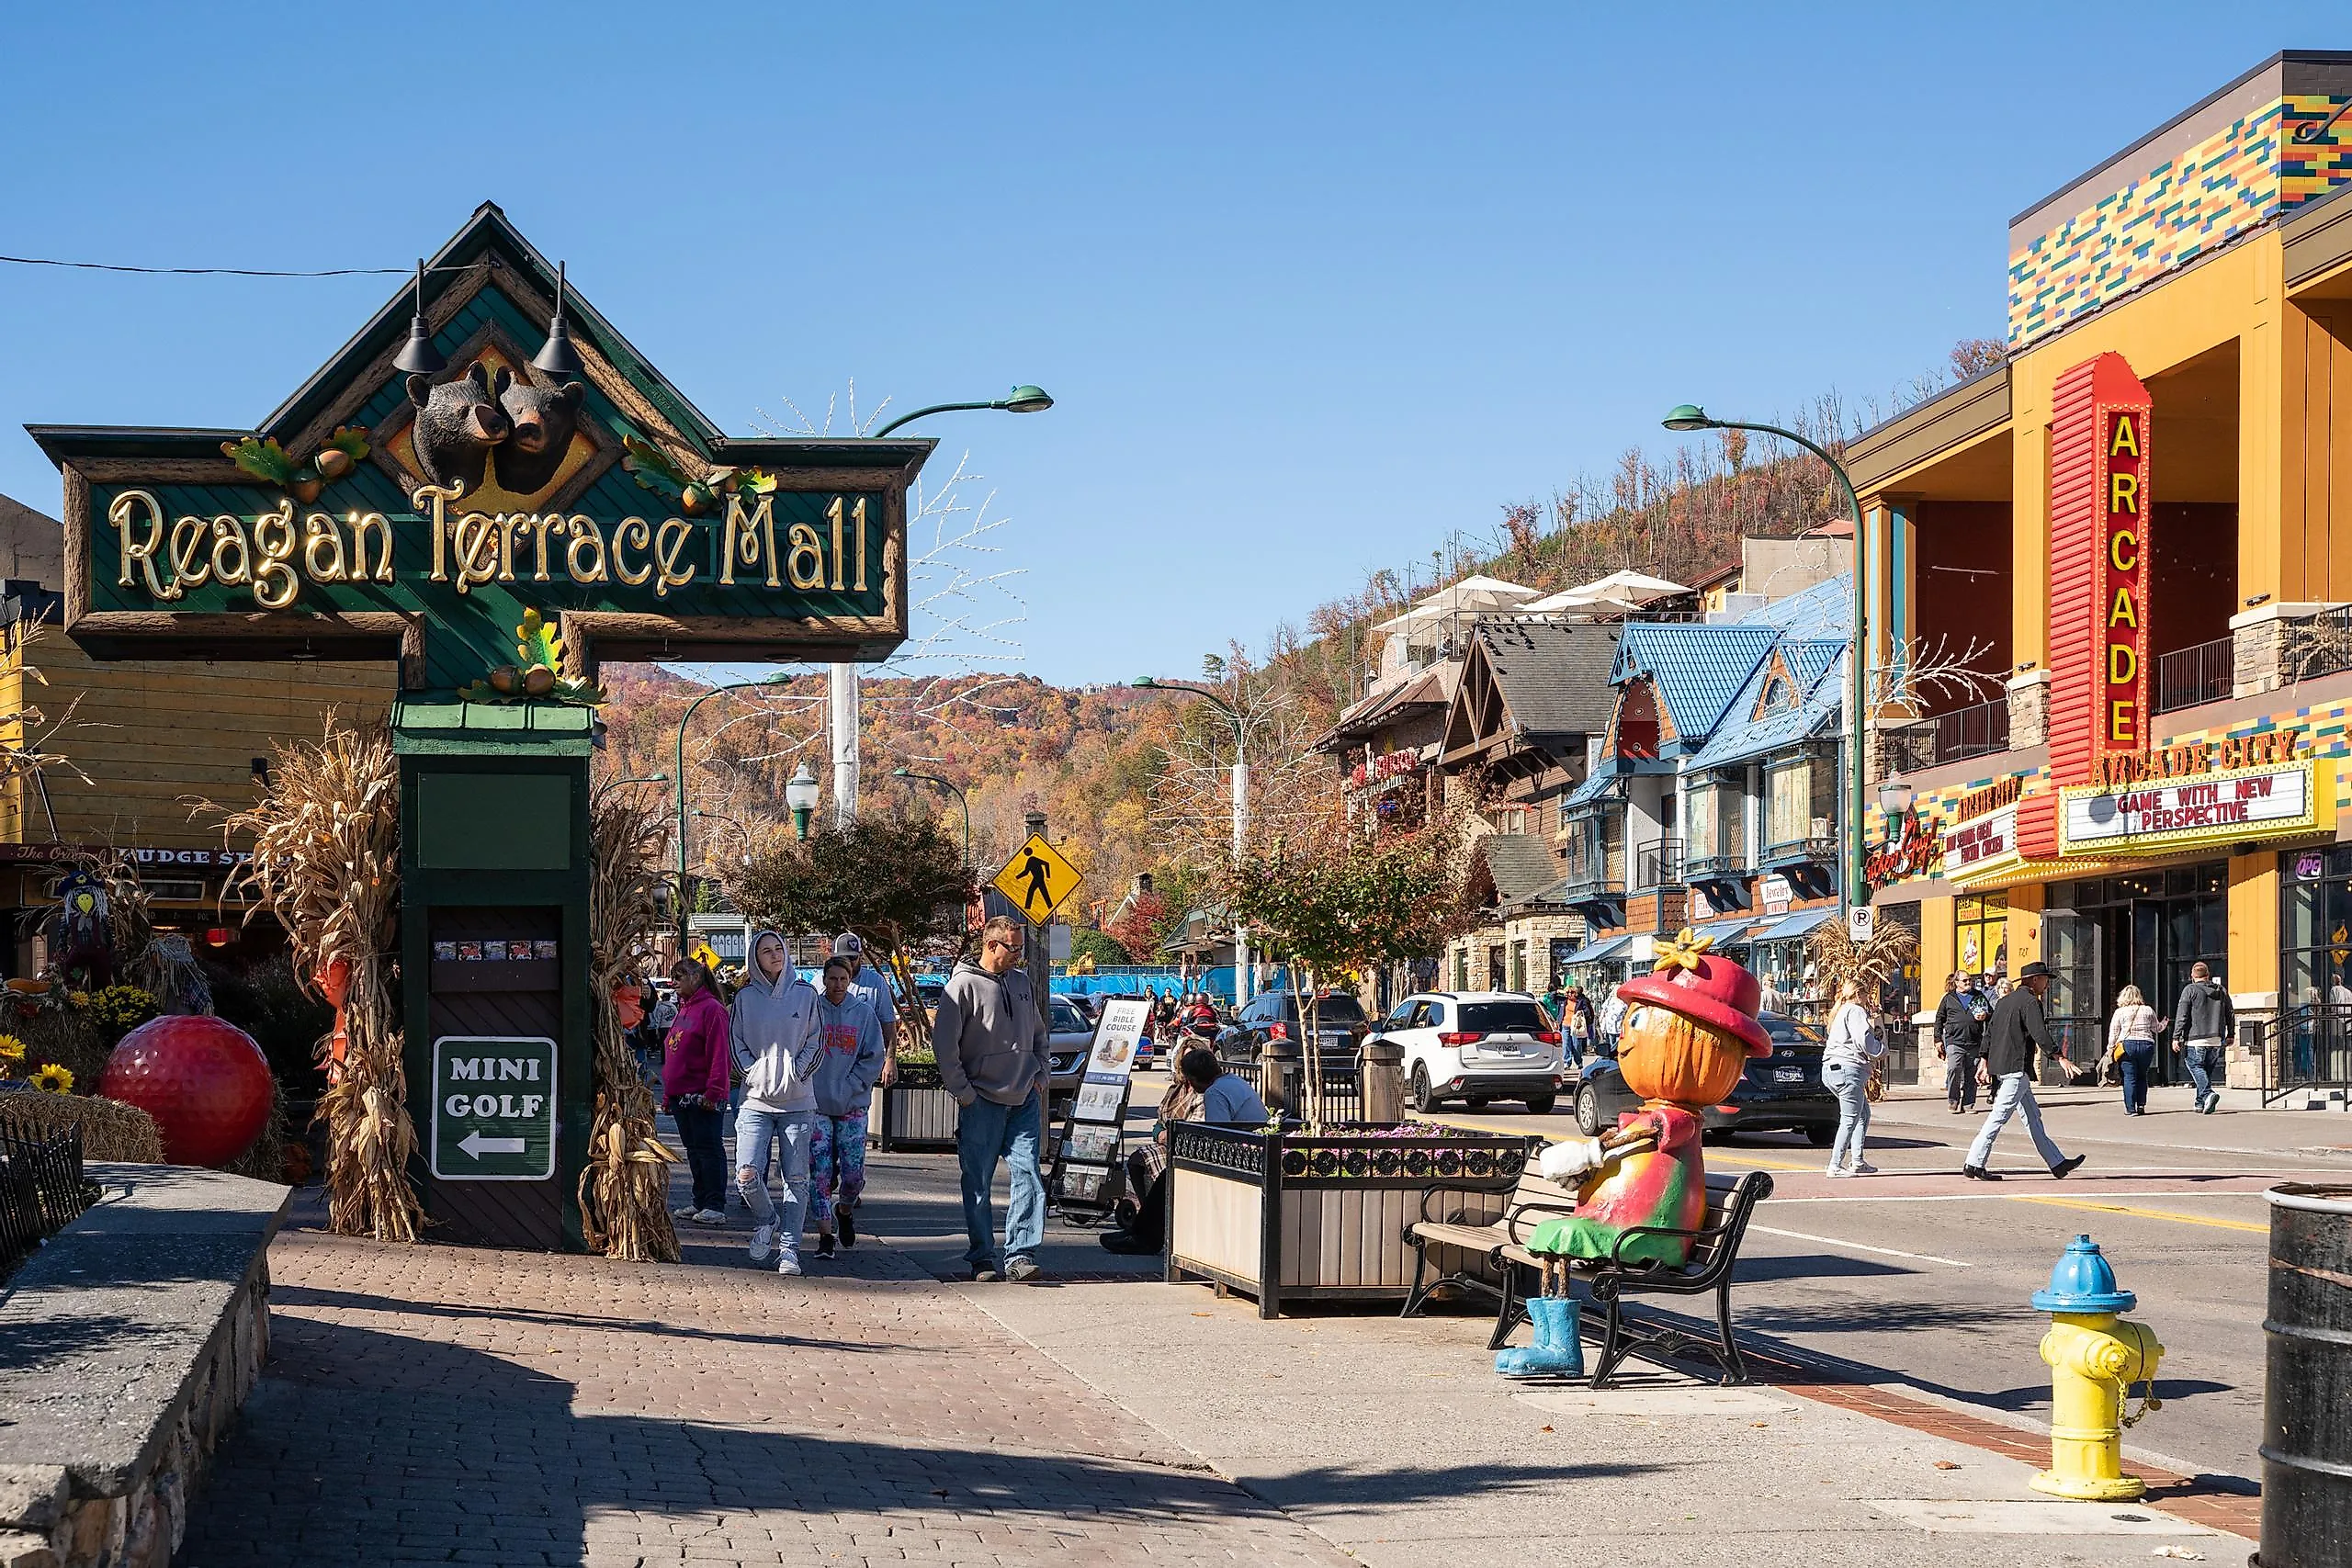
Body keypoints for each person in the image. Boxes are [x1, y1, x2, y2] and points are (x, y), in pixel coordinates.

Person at [934, 915, 1052, 1282]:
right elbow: (945, 1048)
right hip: (981, 1100)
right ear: (991, 945)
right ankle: (982, 1257)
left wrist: (1041, 1075)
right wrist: (965, 1094)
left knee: (1029, 1174)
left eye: (1022, 948)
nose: (1019, 955)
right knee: (978, 1183)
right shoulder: (962, 986)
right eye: (1013, 948)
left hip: (1024, 1098)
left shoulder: (1021, 983)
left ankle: (1020, 1254)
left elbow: (1038, 1033)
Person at [1100, 1048, 1270, 1255]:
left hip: (1239, 1160)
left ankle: (1145, 1239)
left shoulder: (1214, 1093)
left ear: (1195, 1079)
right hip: (1252, 1153)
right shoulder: (1234, 1082)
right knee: (1166, 1175)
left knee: (1169, 1178)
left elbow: (1216, 1136)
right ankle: (1138, 1232)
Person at [730, 930, 822, 1274]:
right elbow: (736, 1043)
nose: (775, 955)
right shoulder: (744, 999)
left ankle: (789, 1251)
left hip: (798, 1103)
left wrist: (797, 1074)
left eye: (778, 949)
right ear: (755, 958)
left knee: (796, 1179)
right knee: (746, 1174)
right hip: (754, 1102)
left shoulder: (806, 994)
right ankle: (767, 1219)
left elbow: (816, 1041)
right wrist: (754, 1073)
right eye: (766, 951)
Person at [1964, 961, 2086, 1181]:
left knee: (2033, 1118)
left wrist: (1984, 1060)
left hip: (2006, 1069)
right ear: (2035, 980)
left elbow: (1989, 1033)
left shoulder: (2004, 1002)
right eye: (2045, 979)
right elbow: (2039, 1032)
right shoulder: (2030, 1002)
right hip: (2016, 1069)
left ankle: (2057, 1163)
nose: (2047, 985)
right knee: (1998, 1117)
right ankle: (1974, 1162)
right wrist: (2060, 1057)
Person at [808, 953, 887, 1258]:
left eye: (843, 979)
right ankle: (825, 1236)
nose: (838, 984)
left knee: (853, 1174)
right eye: (832, 978)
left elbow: (873, 1056)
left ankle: (844, 1210)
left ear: (850, 980)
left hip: (852, 1103)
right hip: (817, 1103)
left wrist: (852, 1085)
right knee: (821, 1171)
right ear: (824, 980)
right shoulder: (813, 1011)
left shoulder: (864, 1013)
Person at [661, 957, 734, 1225]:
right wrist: (668, 1095)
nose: (675, 982)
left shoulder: (712, 1010)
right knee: (694, 1150)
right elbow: (672, 1053)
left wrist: (714, 1091)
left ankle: (715, 1204)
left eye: (680, 976)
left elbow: (719, 1054)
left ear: (696, 978)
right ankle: (701, 1199)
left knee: (709, 1149)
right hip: (682, 1096)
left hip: (703, 1095)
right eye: (673, 977)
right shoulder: (683, 1009)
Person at [1822, 980, 1882, 1177]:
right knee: (1849, 1118)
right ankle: (1835, 1164)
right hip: (1848, 1069)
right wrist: (1880, 1050)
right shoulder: (1855, 1010)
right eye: (1866, 995)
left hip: (1832, 1069)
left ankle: (1857, 1160)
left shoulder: (1840, 1011)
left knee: (1862, 1114)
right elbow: (1864, 1039)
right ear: (1858, 995)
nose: (1867, 999)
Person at [832, 931, 905, 1090]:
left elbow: (888, 1025)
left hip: (862, 1065)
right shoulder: (821, 982)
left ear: (861, 956)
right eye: (843, 958)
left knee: (858, 1112)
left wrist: (890, 1060)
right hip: (829, 1064)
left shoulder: (875, 982)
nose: (848, 963)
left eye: (853, 958)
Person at [2172, 962, 2233, 1115]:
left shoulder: (2190, 990)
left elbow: (2182, 1016)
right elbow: (2229, 1012)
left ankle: (2207, 1094)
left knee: (2195, 1066)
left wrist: (2176, 1036)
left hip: (2195, 1038)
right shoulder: (2221, 990)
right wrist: (2231, 1034)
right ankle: (2200, 1103)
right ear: (2208, 975)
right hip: (2215, 1039)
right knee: (2205, 1071)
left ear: (2193, 976)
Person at [1934, 972, 1989, 1115]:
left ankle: (1969, 1104)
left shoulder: (1978, 996)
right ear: (1957, 982)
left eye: (1969, 980)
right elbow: (1939, 1018)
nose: (1968, 982)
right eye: (1964, 980)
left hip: (1974, 1041)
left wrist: (1985, 1016)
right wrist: (1937, 1039)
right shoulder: (1949, 998)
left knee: (1971, 1074)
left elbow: (1991, 1014)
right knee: (1954, 1069)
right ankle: (1953, 1100)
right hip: (1954, 1041)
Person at [2107, 984, 2165, 1116]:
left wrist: (2110, 1048)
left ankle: (2130, 1108)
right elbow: (2157, 1028)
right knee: (2142, 1075)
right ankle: (2141, 1105)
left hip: (2127, 1045)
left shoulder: (2119, 1012)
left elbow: (2113, 1033)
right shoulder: (2147, 1010)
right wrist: (2164, 1023)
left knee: (2129, 1077)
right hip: (2146, 1045)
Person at [1562, 985, 1596, 1069]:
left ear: (1576, 993)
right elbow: (1552, 997)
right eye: (1568, 992)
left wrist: (1581, 1013)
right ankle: (1567, 1062)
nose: (1570, 994)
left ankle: (1579, 1062)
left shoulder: (1580, 1001)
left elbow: (1587, 1012)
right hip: (1565, 1025)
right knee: (1566, 1044)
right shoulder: (1563, 1001)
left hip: (1576, 1026)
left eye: (1572, 992)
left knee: (1576, 1045)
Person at [1597, 985, 1627, 1057]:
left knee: (1619, 1041)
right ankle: (1613, 1055)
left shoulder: (1623, 999)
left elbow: (1626, 1010)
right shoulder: (1610, 999)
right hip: (1611, 1025)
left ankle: (1617, 1054)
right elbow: (1604, 1009)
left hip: (1620, 1024)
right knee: (1612, 1040)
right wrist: (1601, 1018)